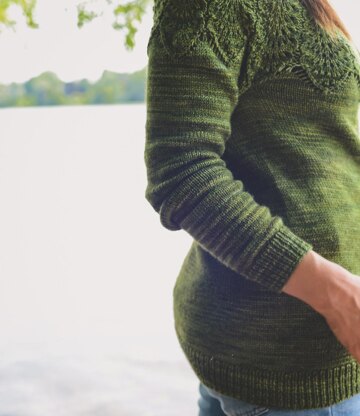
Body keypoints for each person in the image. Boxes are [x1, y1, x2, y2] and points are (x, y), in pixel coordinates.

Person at [143, 0, 360, 414]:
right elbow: (182, 173)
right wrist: (337, 295)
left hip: (295, 343)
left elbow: (319, 153)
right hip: (292, 360)